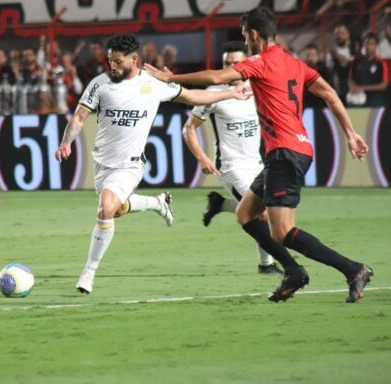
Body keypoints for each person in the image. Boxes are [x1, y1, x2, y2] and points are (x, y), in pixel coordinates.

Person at [145, 7, 373, 304]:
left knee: (282, 231)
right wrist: (350, 132)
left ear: (253, 35)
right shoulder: (294, 63)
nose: (245, 42)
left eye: (244, 36)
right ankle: (292, 270)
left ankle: (352, 268)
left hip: (284, 153)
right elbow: (330, 93)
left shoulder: (260, 62)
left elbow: (217, 77)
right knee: (245, 214)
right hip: (293, 149)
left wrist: (172, 77)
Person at [55, 33, 251, 294]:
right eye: (109, 60)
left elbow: (193, 96)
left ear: (134, 59)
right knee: (115, 209)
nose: (111, 66)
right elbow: (79, 117)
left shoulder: (153, 85)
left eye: (117, 61)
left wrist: (231, 93)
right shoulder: (99, 84)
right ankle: (156, 203)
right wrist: (66, 142)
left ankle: (88, 273)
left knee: (105, 209)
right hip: (102, 163)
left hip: (131, 164)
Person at [181, 41, 282, 276]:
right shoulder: (214, 95)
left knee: (262, 208)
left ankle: (221, 204)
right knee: (262, 211)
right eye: (227, 62)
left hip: (256, 163)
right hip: (230, 165)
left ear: (246, 62)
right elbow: (189, 129)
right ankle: (266, 264)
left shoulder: (258, 88)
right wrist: (202, 158)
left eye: (236, 62)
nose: (231, 66)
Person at [348, 33, 389, 107]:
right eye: (367, 43)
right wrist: (352, 87)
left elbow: (383, 85)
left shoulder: (381, 63)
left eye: (372, 44)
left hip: (375, 100)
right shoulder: (356, 61)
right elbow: (350, 79)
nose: (369, 46)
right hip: (357, 99)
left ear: (376, 46)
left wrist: (363, 88)